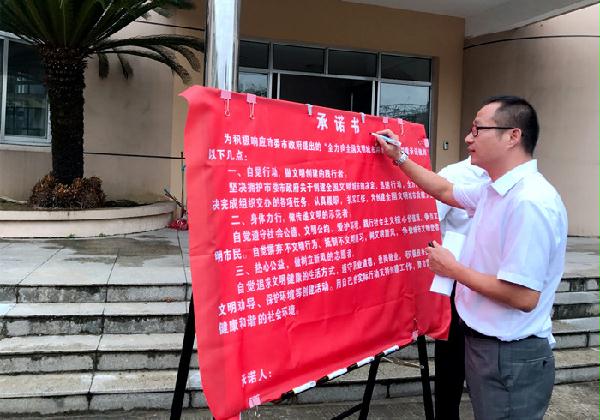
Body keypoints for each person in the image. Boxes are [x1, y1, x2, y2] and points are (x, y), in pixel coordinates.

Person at [376, 96, 567, 420]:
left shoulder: (529, 202)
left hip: (509, 355)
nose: (468, 138)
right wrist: (400, 157)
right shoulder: (497, 191)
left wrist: (453, 269)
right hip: (487, 347)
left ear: (513, 136)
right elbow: (445, 191)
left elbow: (523, 296)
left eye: (478, 130)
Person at [434, 158, 489, 420]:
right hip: (456, 282)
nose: (470, 139)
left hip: (491, 283)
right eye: (472, 136)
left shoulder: (507, 181)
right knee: (450, 361)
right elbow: (430, 223)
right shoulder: (453, 174)